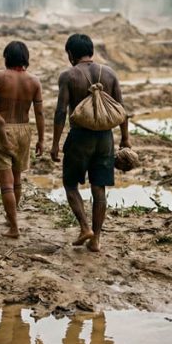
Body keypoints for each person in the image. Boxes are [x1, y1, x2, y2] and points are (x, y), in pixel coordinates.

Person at [50, 33, 129, 252]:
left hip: (80, 137)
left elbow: (60, 112)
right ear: (91, 52)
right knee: (99, 187)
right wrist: (125, 138)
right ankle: (96, 239)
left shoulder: (68, 76)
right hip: (105, 138)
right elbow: (122, 109)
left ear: (70, 54)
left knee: (70, 184)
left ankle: (85, 227)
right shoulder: (110, 73)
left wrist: (55, 143)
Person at [0, 41, 44, 239]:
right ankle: (11, 218)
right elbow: (39, 113)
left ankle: (14, 226)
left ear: (6, 57)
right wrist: (41, 139)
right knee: (16, 180)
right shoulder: (34, 82)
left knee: (5, 183)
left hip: (3, 129)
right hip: (24, 130)